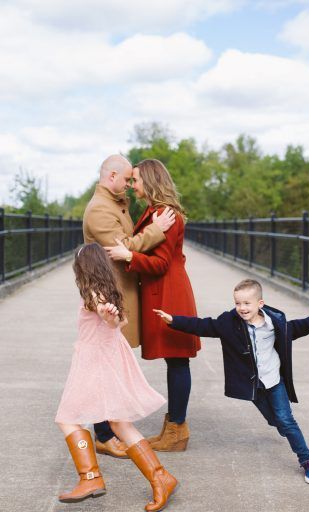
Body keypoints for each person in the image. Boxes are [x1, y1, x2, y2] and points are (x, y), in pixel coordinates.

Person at [153, 278, 309, 484]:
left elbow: (299, 327)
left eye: (247, 303)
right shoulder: (229, 324)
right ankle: (282, 426)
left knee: (286, 420)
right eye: (238, 303)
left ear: (260, 304)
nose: (242, 308)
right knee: (275, 421)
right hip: (253, 386)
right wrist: (174, 320)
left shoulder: (274, 322)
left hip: (274, 381)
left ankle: (307, 459)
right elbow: (204, 325)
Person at [54, 243, 179, 511]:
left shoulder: (94, 292)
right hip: (109, 359)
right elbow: (119, 322)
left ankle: (90, 479)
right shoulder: (109, 289)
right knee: (119, 423)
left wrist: (108, 316)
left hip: (94, 361)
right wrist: (111, 317)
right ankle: (161, 477)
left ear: (82, 268)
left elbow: (109, 318)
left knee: (68, 418)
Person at [82, 154, 176, 458]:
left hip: (118, 292)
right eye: (126, 179)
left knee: (111, 365)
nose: (129, 185)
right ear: (111, 176)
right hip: (109, 296)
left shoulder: (113, 204)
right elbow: (123, 247)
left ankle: (110, 428)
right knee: (105, 367)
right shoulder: (100, 209)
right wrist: (157, 229)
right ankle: (104, 435)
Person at [105, 159, 200, 452]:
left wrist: (128, 256)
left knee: (177, 360)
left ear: (150, 180)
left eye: (136, 180)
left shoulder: (164, 214)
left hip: (170, 294)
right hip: (164, 291)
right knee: (175, 360)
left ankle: (177, 431)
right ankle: (173, 428)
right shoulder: (155, 212)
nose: (132, 186)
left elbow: (160, 263)